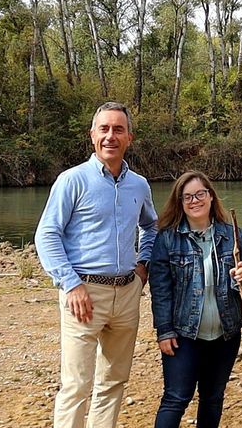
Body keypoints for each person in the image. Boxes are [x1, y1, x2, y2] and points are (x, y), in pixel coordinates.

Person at [35, 101, 158, 428]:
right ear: (92, 135)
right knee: (76, 384)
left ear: (129, 137)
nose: (110, 136)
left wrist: (143, 265)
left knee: (113, 382)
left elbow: (152, 226)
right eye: (104, 129)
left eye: (118, 129)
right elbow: (46, 235)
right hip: (83, 293)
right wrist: (71, 284)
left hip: (127, 292)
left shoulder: (139, 185)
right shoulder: (71, 180)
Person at [148, 171, 242, 428]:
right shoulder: (167, 239)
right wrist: (164, 331)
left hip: (225, 333)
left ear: (210, 196)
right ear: (180, 202)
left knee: (213, 398)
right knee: (176, 397)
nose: (194, 201)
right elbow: (160, 289)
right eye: (187, 197)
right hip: (183, 334)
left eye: (200, 194)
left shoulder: (233, 236)